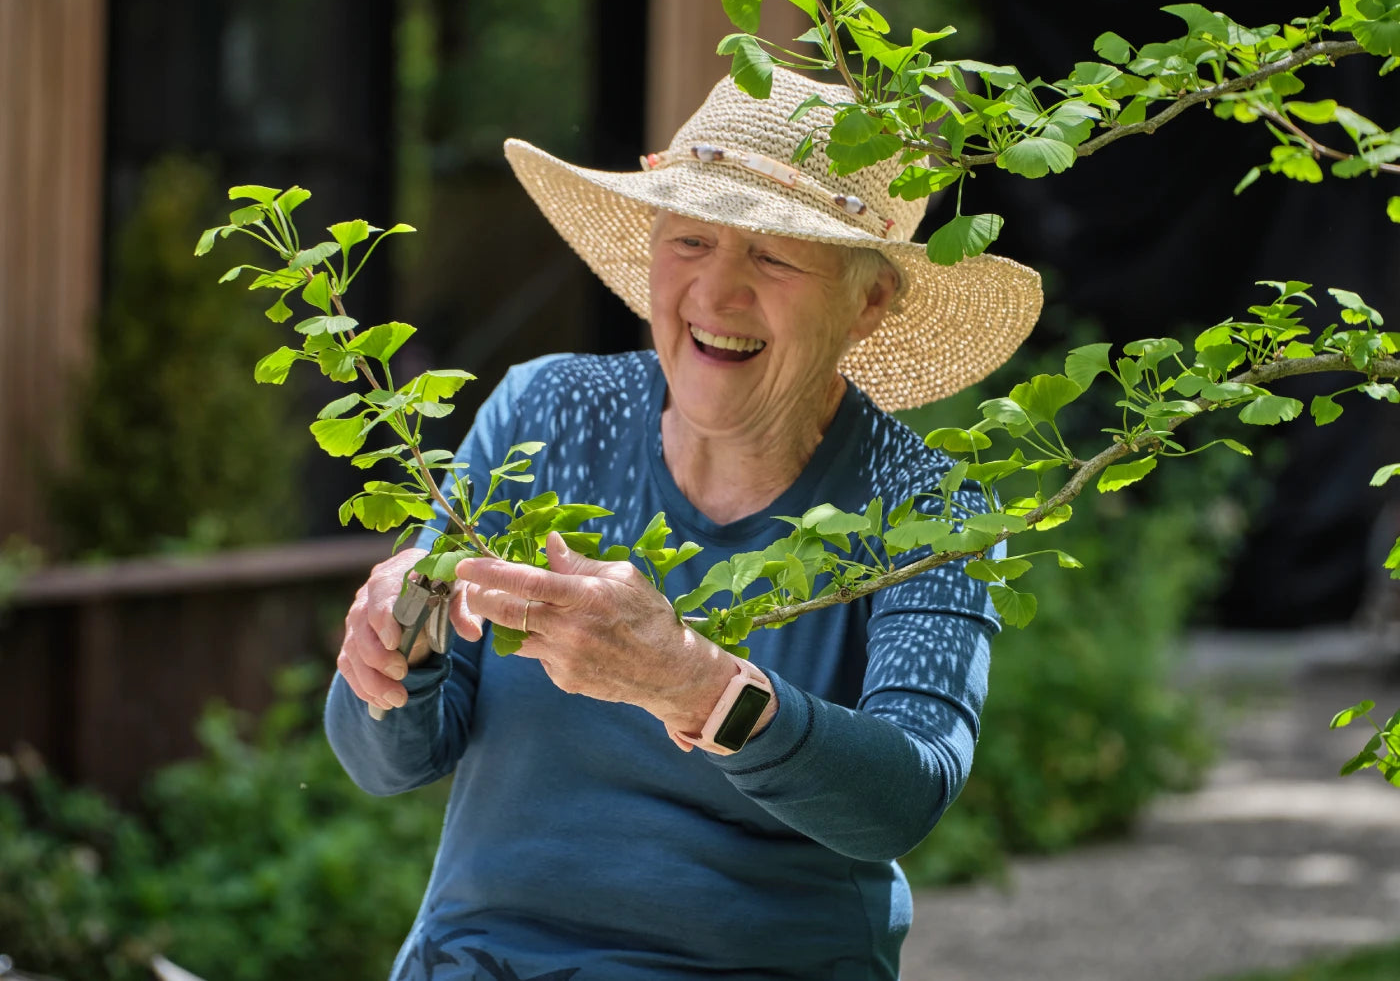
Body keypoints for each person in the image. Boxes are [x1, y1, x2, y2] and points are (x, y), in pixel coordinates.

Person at [326, 67, 1042, 980]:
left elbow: (904, 795)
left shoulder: (924, 506)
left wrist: (696, 686)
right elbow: (386, 763)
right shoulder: (548, 412)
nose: (718, 290)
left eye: (774, 256)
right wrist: (401, 638)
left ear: (868, 302)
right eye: (692, 239)